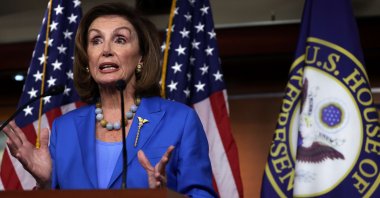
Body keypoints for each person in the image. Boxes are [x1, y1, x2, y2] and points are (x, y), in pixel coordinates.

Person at [3, 2, 216, 197]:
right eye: (96, 40)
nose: (106, 50)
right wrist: (47, 183)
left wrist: (165, 196)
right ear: (88, 58)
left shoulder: (180, 120)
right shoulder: (64, 128)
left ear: (141, 57)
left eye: (120, 39)